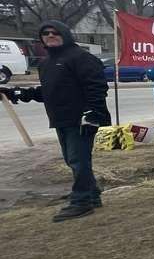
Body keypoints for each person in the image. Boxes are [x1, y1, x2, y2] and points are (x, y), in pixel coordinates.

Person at [0, 21, 110, 220]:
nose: (50, 36)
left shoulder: (81, 58)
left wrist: (92, 114)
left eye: (55, 32)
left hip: (82, 118)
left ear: (65, 35)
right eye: (45, 33)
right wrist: (18, 93)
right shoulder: (46, 63)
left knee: (78, 160)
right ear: (41, 38)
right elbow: (49, 92)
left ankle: (81, 201)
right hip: (61, 119)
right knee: (72, 159)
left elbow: (97, 88)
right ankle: (91, 194)